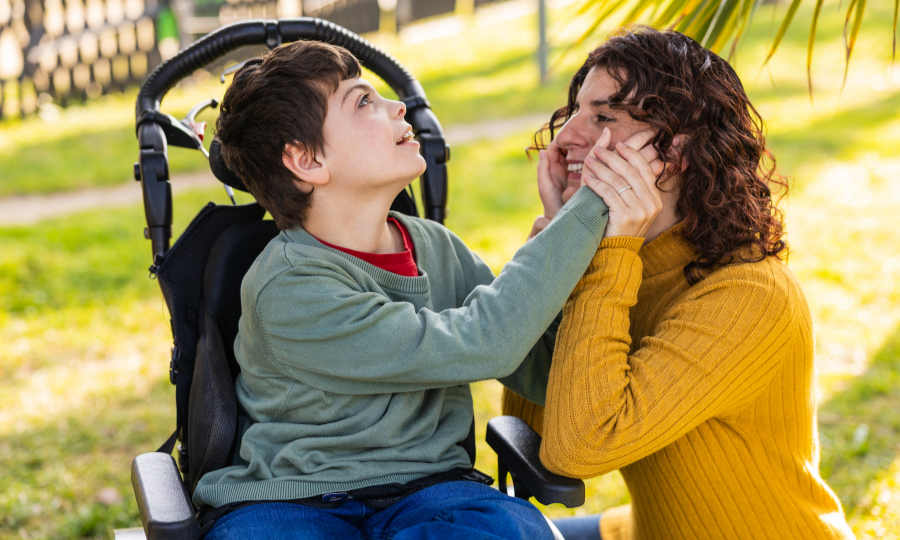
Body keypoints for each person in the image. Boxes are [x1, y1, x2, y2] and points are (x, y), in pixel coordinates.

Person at [191, 40, 663, 540]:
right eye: (363, 101)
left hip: (431, 490)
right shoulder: (287, 287)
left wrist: (559, 225)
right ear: (306, 160)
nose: (397, 106)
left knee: (511, 529)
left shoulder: (437, 248)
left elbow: (544, 369)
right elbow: (485, 340)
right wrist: (595, 201)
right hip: (293, 500)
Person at [504, 26, 855, 540]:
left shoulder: (750, 295)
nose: (565, 138)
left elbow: (578, 447)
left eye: (603, 117)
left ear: (676, 149)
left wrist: (605, 254)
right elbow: (536, 426)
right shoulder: (624, 262)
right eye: (576, 112)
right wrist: (560, 250)